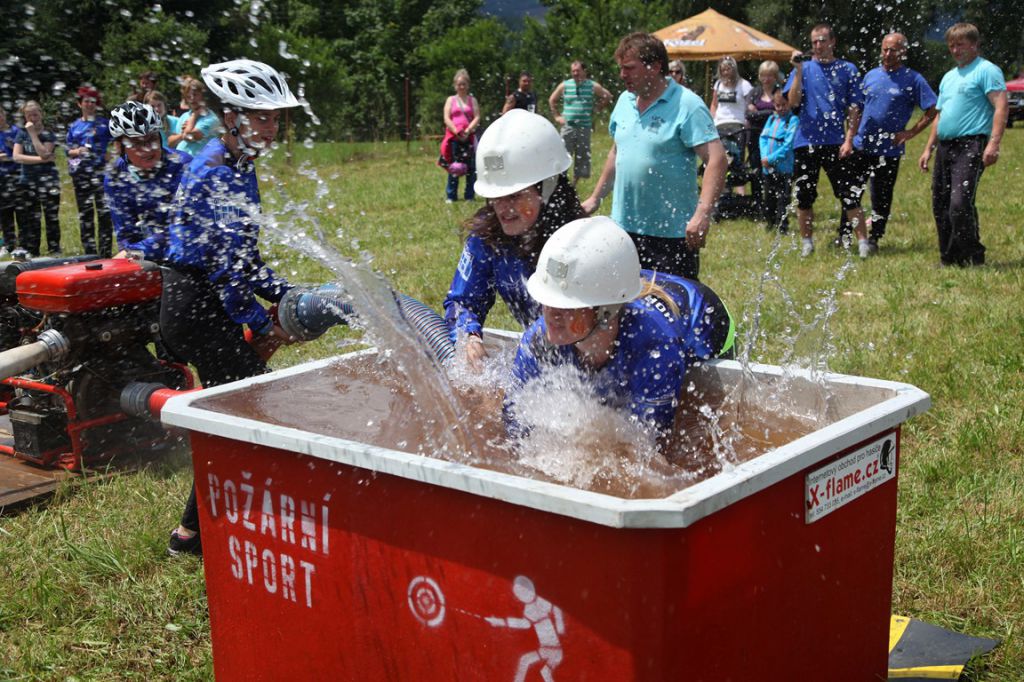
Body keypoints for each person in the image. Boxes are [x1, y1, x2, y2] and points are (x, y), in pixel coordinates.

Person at [162, 59, 301, 557]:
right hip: (192, 304)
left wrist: (287, 294)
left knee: (237, 410)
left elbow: (247, 260)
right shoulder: (214, 170)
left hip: (210, 301)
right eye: (261, 117)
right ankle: (204, 532)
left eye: (275, 118)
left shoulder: (242, 167)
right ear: (231, 117)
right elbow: (224, 273)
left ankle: (192, 532)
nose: (271, 127)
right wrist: (263, 323)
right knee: (248, 406)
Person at [506, 216, 734, 445]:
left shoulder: (655, 350)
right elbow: (513, 422)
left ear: (606, 311)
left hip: (705, 328)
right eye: (547, 301)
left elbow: (652, 447)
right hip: (620, 291)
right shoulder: (538, 341)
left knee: (699, 428)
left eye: (567, 306)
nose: (551, 314)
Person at [582, 32, 727, 281]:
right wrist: (595, 198)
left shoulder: (687, 104)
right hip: (623, 230)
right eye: (621, 68)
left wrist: (702, 214)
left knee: (671, 303)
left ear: (656, 67)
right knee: (624, 300)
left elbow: (717, 159)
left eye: (630, 68)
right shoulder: (624, 101)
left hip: (671, 235)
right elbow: (617, 151)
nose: (622, 75)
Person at [443, 109, 581, 370]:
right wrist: (469, 335)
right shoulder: (488, 238)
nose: (503, 209)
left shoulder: (578, 242)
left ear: (547, 187)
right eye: (496, 197)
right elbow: (462, 302)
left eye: (515, 196)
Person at [918, 23, 1006, 267]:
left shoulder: (987, 70)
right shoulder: (949, 77)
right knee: (941, 203)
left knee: (959, 203)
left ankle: (973, 254)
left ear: (975, 44)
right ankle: (949, 257)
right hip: (945, 146)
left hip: (971, 145)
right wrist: (928, 149)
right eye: (952, 46)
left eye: (961, 45)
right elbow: (940, 116)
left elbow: (1001, 106)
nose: (956, 50)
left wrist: (993, 144)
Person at [784, 23, 868, 258]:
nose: (818, 45)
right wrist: (798, 71)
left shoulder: (847, 69)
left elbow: (855, 107)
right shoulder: (803, 68)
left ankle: (863, 243)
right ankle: (807, 243)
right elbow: (792, 102)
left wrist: (849, 139)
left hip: (836, 142)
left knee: (849, 194)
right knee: (804, 195)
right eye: (814, 42)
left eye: (822, 40)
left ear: (832, 42)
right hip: (805, 142)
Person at [851, 33, 937, 254]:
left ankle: (875, 237)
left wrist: (911, 132)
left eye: (893, 50)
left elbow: (933, 108)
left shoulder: (913, 79)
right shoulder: (870, 76)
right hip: (861, 145)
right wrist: (850, 137)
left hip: (889, 150)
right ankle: (845, 232)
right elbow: (857, 108)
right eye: (885, 49)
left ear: (903, 52)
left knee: (881, 196)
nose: (888, 54)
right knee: (851, 192)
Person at [104, 102, 192, 261]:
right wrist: (131, 255)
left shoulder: (182, 165)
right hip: (148, 253)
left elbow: (183, 228)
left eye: (152, 139)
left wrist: (136, 252)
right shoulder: (115, 176)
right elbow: (126, 235)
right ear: (120, 146)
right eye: (136, 143)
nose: (147, 149)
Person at [548, 61, 614, 185]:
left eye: (577, 71)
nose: (575, 73)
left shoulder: (591, 85)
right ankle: (560, 181)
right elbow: (552, 99)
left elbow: (608, 96)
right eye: (573, 71)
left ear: (584, 71)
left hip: (584, 127)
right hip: (568, 126)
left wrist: (597, 108)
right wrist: (557, 116)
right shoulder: (565, 85)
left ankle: (574, 183)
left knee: (582, 156)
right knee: (563, 153)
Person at [66, 85, 114, 255]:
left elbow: (119, 141)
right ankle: (90, 252)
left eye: (93, 101)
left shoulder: (105, 123)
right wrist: (78, 151)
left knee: (104, 213)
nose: (89, 104)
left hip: (102, 173)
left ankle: (105, 251)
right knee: (85, 214)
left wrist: (111, 155)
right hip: (81, 174)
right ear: (80, 104)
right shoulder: (74, 126)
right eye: (86, 101)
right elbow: (67, 150)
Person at [12, 101, 61, 256]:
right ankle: (33, 251)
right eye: (29, 115)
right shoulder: (21, 133)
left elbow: (45, 152)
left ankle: (54, 249)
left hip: (49, 181)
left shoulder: (48, 133)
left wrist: (33, 134)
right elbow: (17, 157)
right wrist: (42, 160)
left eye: (35, 114)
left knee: (51, 216)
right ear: (25, 117)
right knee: (32, 217)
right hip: (27, 181)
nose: (33, 118)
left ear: (41, 114)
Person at [709, 56, 753, 196]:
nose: (726, 72)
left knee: (737, 157)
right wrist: (711, 119)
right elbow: (714, 104)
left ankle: (740, 191)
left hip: (737, 124)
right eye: (723, 70)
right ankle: (723, 190)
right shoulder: (718, 85)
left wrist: (748, 118)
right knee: (722, 158)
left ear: (734, 69)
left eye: (728, 69)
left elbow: (749, 104)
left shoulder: (744, 85)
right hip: (720, 124)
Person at [759, 90, 799, 233]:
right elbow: (763, 139)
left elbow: (788, 145)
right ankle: (769, 222)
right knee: (769, 196)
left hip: (784, 167)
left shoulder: (792, 120)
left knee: (783, 197)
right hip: (767, 166)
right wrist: (764, 157)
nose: (781, 108)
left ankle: (782, 226)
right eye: (778, 105)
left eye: (784, 105)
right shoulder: (772, 119)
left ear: (789, 104)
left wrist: (771, 159)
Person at [747, 61, 783, 217]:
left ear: (775, 77)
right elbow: (748, 115)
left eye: (769, 75)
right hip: (755, 137)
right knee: (756, 171)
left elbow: (782, 112)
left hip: (775, 138)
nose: (766, 79)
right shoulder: (754, 92)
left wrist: (758, 112)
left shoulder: (780, 93)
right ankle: (757, 205)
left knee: (774, 172)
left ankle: (774, 205)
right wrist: (770, 112)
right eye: (763, 75)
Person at [442, 69, 481, 203]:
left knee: (471, 168)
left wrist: (468, 130)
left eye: (464, 84)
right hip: (454, 138)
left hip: (468, 137)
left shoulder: (472, 100)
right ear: (455, 85)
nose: (461, 86)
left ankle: (469, 195)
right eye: (459, 84)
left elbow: (477, 117)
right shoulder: (450, 100)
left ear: (468, 85)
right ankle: (451, 195)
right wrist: (456, 131)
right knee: (454, 166)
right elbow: (446, 117)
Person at [168, 76, 220, 157]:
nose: (192, 98)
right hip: (180, 161)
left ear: (203, 95)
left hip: (199, 162)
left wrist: (194, 116)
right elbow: (170, 142)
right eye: (188, 96)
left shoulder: (211, 118)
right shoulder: (184, 116)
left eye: (195, 95)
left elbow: (191, 136)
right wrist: (182, 135)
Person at [0, 105, 23, 256]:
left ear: (4, 114)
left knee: (21, 211)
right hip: (1, 178)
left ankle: (23, 244)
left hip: (17, 176)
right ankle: (8, 244)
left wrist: (6, 157)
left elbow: (19, 154)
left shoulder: (16, 131)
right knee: (4, 213)